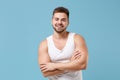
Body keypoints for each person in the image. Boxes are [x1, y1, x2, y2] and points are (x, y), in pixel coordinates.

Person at [38, 6, 88, 80]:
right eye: (56, 19)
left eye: (63, 20)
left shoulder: (77, 39)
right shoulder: (44, 44)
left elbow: (82, 65)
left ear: (68, 22)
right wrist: (71, 63)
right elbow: (45, 73)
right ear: (52, 21)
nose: (59, 22)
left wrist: (54, 66)